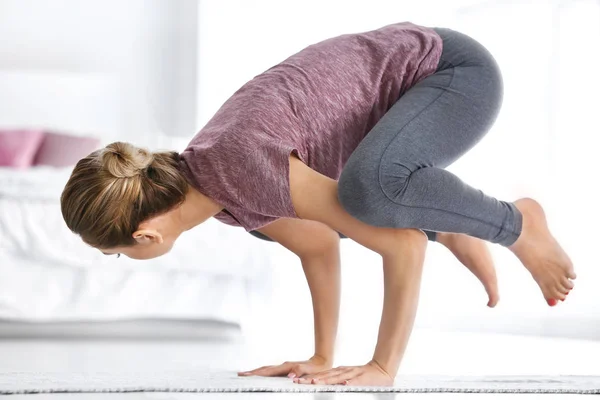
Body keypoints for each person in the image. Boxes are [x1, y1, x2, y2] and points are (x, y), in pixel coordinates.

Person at [60, 22, 575, 386]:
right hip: (406, 104)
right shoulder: (222, 196)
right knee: (346, 205)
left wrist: (382, 367)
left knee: (369, 193)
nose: (123, 259)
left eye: (118, 252)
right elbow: (319, 244)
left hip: (452, 71)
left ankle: (515, 222)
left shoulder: (238, 166)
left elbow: (401, 247)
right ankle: (448, 220)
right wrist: (321, 356)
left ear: (144, 234)